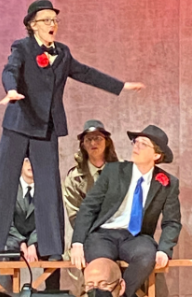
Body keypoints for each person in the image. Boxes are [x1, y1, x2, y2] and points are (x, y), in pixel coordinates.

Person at [0, 0, 144, 261]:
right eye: (47, 20)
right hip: (19, 123)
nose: (52, 25)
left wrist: (121, 86)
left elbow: (86, 73)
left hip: (46, 127)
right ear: (32, 25)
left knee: (48, 188)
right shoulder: (22, 47)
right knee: (2, 183)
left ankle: (51, 248)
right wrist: (11, 90)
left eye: (54, 20)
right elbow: (10, 70)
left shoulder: (63, 53)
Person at [69, 125, 181, 297]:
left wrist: (164, 249)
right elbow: (88, 206)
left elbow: (172, 222)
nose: (136, 146)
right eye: (135, 142)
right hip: (104, 234)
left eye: (143, 144)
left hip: (136, 237)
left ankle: (123, 295)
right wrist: (77, 242)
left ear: (157, 155)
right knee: (101, 266)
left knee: (146, 256)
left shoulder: (167, 183)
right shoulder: (114, 171)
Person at [63, 120, 120, 293]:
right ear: (82, 144)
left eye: (97, 138)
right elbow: (74, 214)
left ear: (107, 142)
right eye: (88, 139)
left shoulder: (122, 172)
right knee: (75, 258)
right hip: (87, 234)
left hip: (118, 233)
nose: (93, 143)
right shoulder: (75, 178)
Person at [5, 158, 61, 290]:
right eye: (26, 161)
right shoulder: (9, 187)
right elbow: (6, 220)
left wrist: (33, 243)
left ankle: (52, 293)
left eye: (34, 160)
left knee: (54, 253)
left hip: (40, 237)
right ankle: (9, 292)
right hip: (13, 238)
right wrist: (21, 242)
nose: (30, 164)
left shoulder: (48, 189)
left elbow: (48, 219)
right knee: (8, 251)